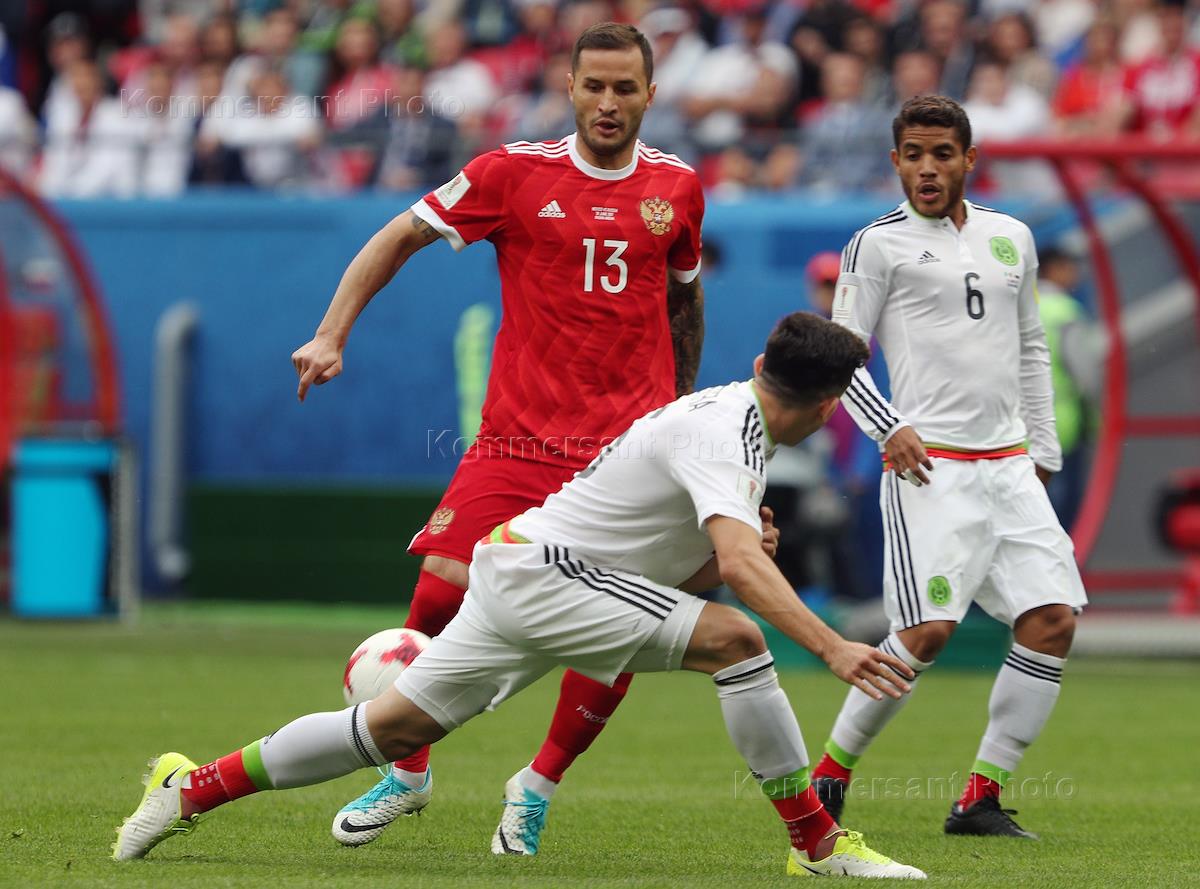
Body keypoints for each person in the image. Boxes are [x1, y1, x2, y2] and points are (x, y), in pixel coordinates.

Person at [113, 313, 927, 880]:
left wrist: (721, 565)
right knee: (738, 641)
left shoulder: (726, 413)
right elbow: (741, 569)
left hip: (523, 569)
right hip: (546, 574)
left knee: (389, 728)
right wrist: (832, 645)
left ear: (759, 365)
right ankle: (817, 843)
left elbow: (672, 570)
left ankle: (191, 785)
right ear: (829, 408)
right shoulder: (728, 435)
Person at [289, 23, 707, 855]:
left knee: (618, 626)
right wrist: (332, 333)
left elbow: (683, 300)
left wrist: (682, 418)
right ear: (570, 86)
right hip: (518, 441)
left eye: (625, 88)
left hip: (628, 451)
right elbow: (400, 234)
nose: (609, 102)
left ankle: (536, 785)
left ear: (650, 96)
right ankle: (407, 771)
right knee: (441, 586)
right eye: (595, 85)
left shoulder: (680, 188)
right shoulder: (512, 173)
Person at [809, 95, 1088, 839]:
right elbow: (840, 355)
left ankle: (978, 799)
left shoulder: (1011, 237)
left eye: (941, 154)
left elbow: (1031, 347)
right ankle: (829, 777)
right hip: (930, 470)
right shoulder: (877, 245)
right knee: (927, 631)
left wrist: (1043, 450)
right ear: (895, 162)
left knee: (1053, 621)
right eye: (913, 155)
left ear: (969, 160)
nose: (927, 169)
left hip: (1010, 466)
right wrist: (888, 426)